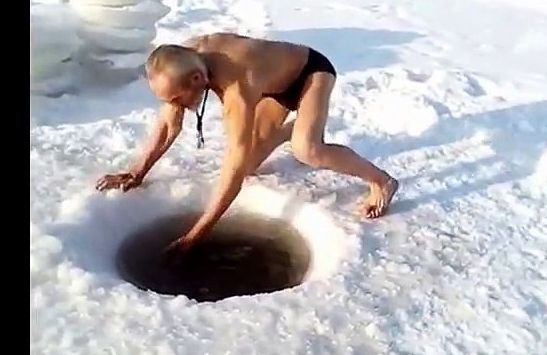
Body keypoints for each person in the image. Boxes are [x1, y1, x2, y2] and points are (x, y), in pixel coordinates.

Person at [95, 32, 399, 256]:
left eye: (177, 99)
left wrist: (195, 235)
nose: (174, 105)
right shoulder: (177, 61)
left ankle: (381, 181)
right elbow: (167, 126)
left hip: (310, 73)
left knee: (307, 150)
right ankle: (300, 126)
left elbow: (233, 167)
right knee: (253, 161)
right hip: (272, 82)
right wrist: (137, 172)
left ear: (198, 79)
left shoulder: (237, 92)